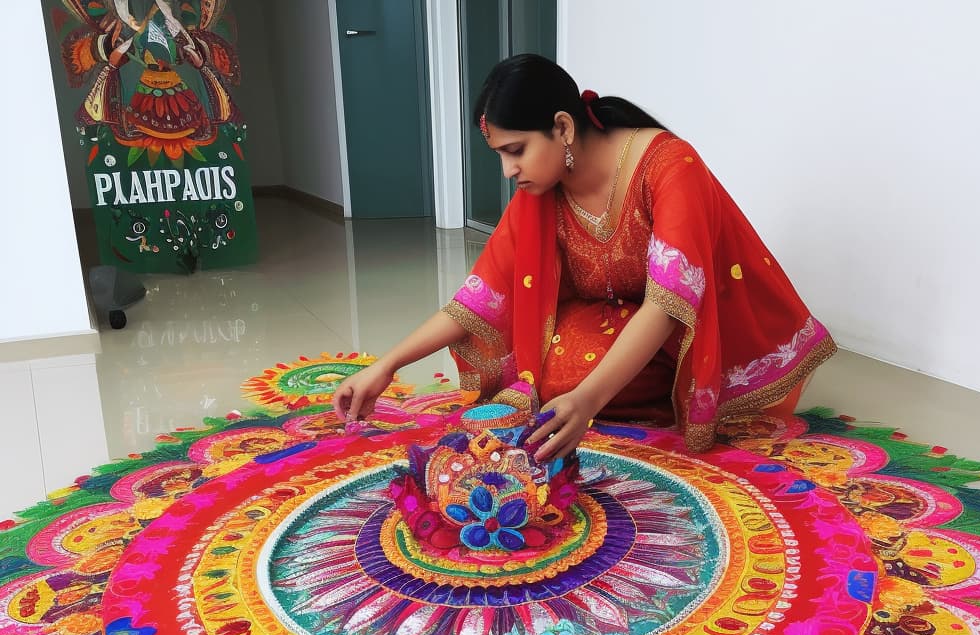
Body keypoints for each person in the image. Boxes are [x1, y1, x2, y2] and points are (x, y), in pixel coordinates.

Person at [332, 54, 835, 459]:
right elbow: (480, 299)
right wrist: (387, 365)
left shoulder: (667, 166)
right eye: (501, 156)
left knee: (567, 385)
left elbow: (668, 304)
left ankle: (659, 393)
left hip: (692, 325)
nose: (508, 171)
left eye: (516, 150)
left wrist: (588, 401)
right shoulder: (541, 190)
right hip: (615, 318)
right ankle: (627, 390)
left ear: (563, 128)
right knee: (541, 377)